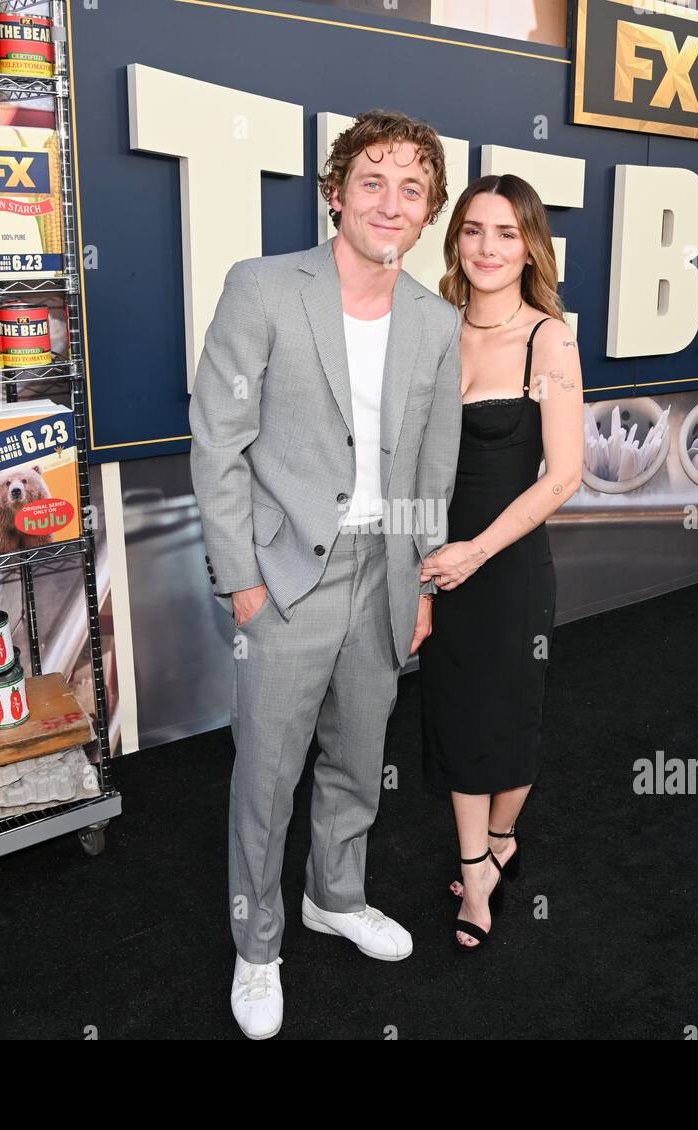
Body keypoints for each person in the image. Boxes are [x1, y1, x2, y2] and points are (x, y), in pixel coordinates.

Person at [189, 110, 463, 1038]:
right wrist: (241, 580)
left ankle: (332, 898)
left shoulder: (436, 319)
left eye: (413, 189)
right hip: (285, 578)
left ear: (429, 214)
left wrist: (422, 583)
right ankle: (255, 944)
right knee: (266, 775)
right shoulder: (264, 289)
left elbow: (433, 464)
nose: (392, 203)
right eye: (374, 181)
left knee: (359, 758)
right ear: (335, 191)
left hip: (385, 574)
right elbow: (219, 442)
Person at [417, 174, 583, 952]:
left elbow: (564, 475)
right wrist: (424, 565)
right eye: (475, 230)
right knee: (454, 714)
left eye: (507, 233)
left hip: (506, 565)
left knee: (508, 720)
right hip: (440, 566)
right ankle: (477, 862)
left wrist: (475, 553)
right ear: (456, 240)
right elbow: (415, 466)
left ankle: (498, 840)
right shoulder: (434, 330)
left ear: (529, 247)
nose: (488, 247)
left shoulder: (547, 337)